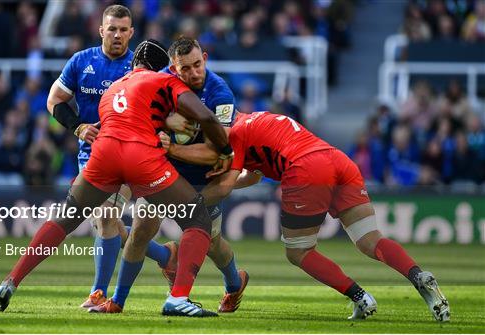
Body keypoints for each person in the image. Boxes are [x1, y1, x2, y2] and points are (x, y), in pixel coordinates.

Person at [0, 39, 233, 318]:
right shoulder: (166, 82)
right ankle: (177, 298)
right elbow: (208, 118)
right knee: (197, 219)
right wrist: (225, 151)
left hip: (103, 154)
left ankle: (10, 281)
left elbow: (121, 118)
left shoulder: (114, 88)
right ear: (165, 68)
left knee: (64, 219)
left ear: (132, 65)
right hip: (140, 156)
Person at [161, 111, 450, 322]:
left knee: (298, 252)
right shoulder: (256, 120)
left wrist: (191, 203)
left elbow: (224, 186)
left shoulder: (234, 136)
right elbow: (254, 176)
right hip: (337, 160)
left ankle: (360, 297)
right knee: (369, 240)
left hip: (306, 168)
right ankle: (417, 275)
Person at [91, 36, 248, 314]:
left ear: (205, 59)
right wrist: (164, 120)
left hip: (203, 177)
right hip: (161, 174)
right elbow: (133, 116)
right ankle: (117, 301)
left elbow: (217, 150)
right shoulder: (158, 82)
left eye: (197, 64)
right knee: (139, 233)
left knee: (211, 244)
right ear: (173, 68)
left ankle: (234, 283)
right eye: (185, 68)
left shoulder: (219, 94)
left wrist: (172, 146)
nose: (194, 73)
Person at [45, 4, 174, 309]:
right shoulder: (81, 61)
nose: (117, 35)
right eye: (111, 29)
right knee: (110, 223)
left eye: (123, 30)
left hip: (129, 154)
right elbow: (55, 100)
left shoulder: (142, 68)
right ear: (101, 30)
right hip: (91, 155)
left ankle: (98, 293)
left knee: (105, 215)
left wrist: (163, 133)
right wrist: (77, 127)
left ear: (132, 32)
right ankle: (165, 256)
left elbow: (166, 109)